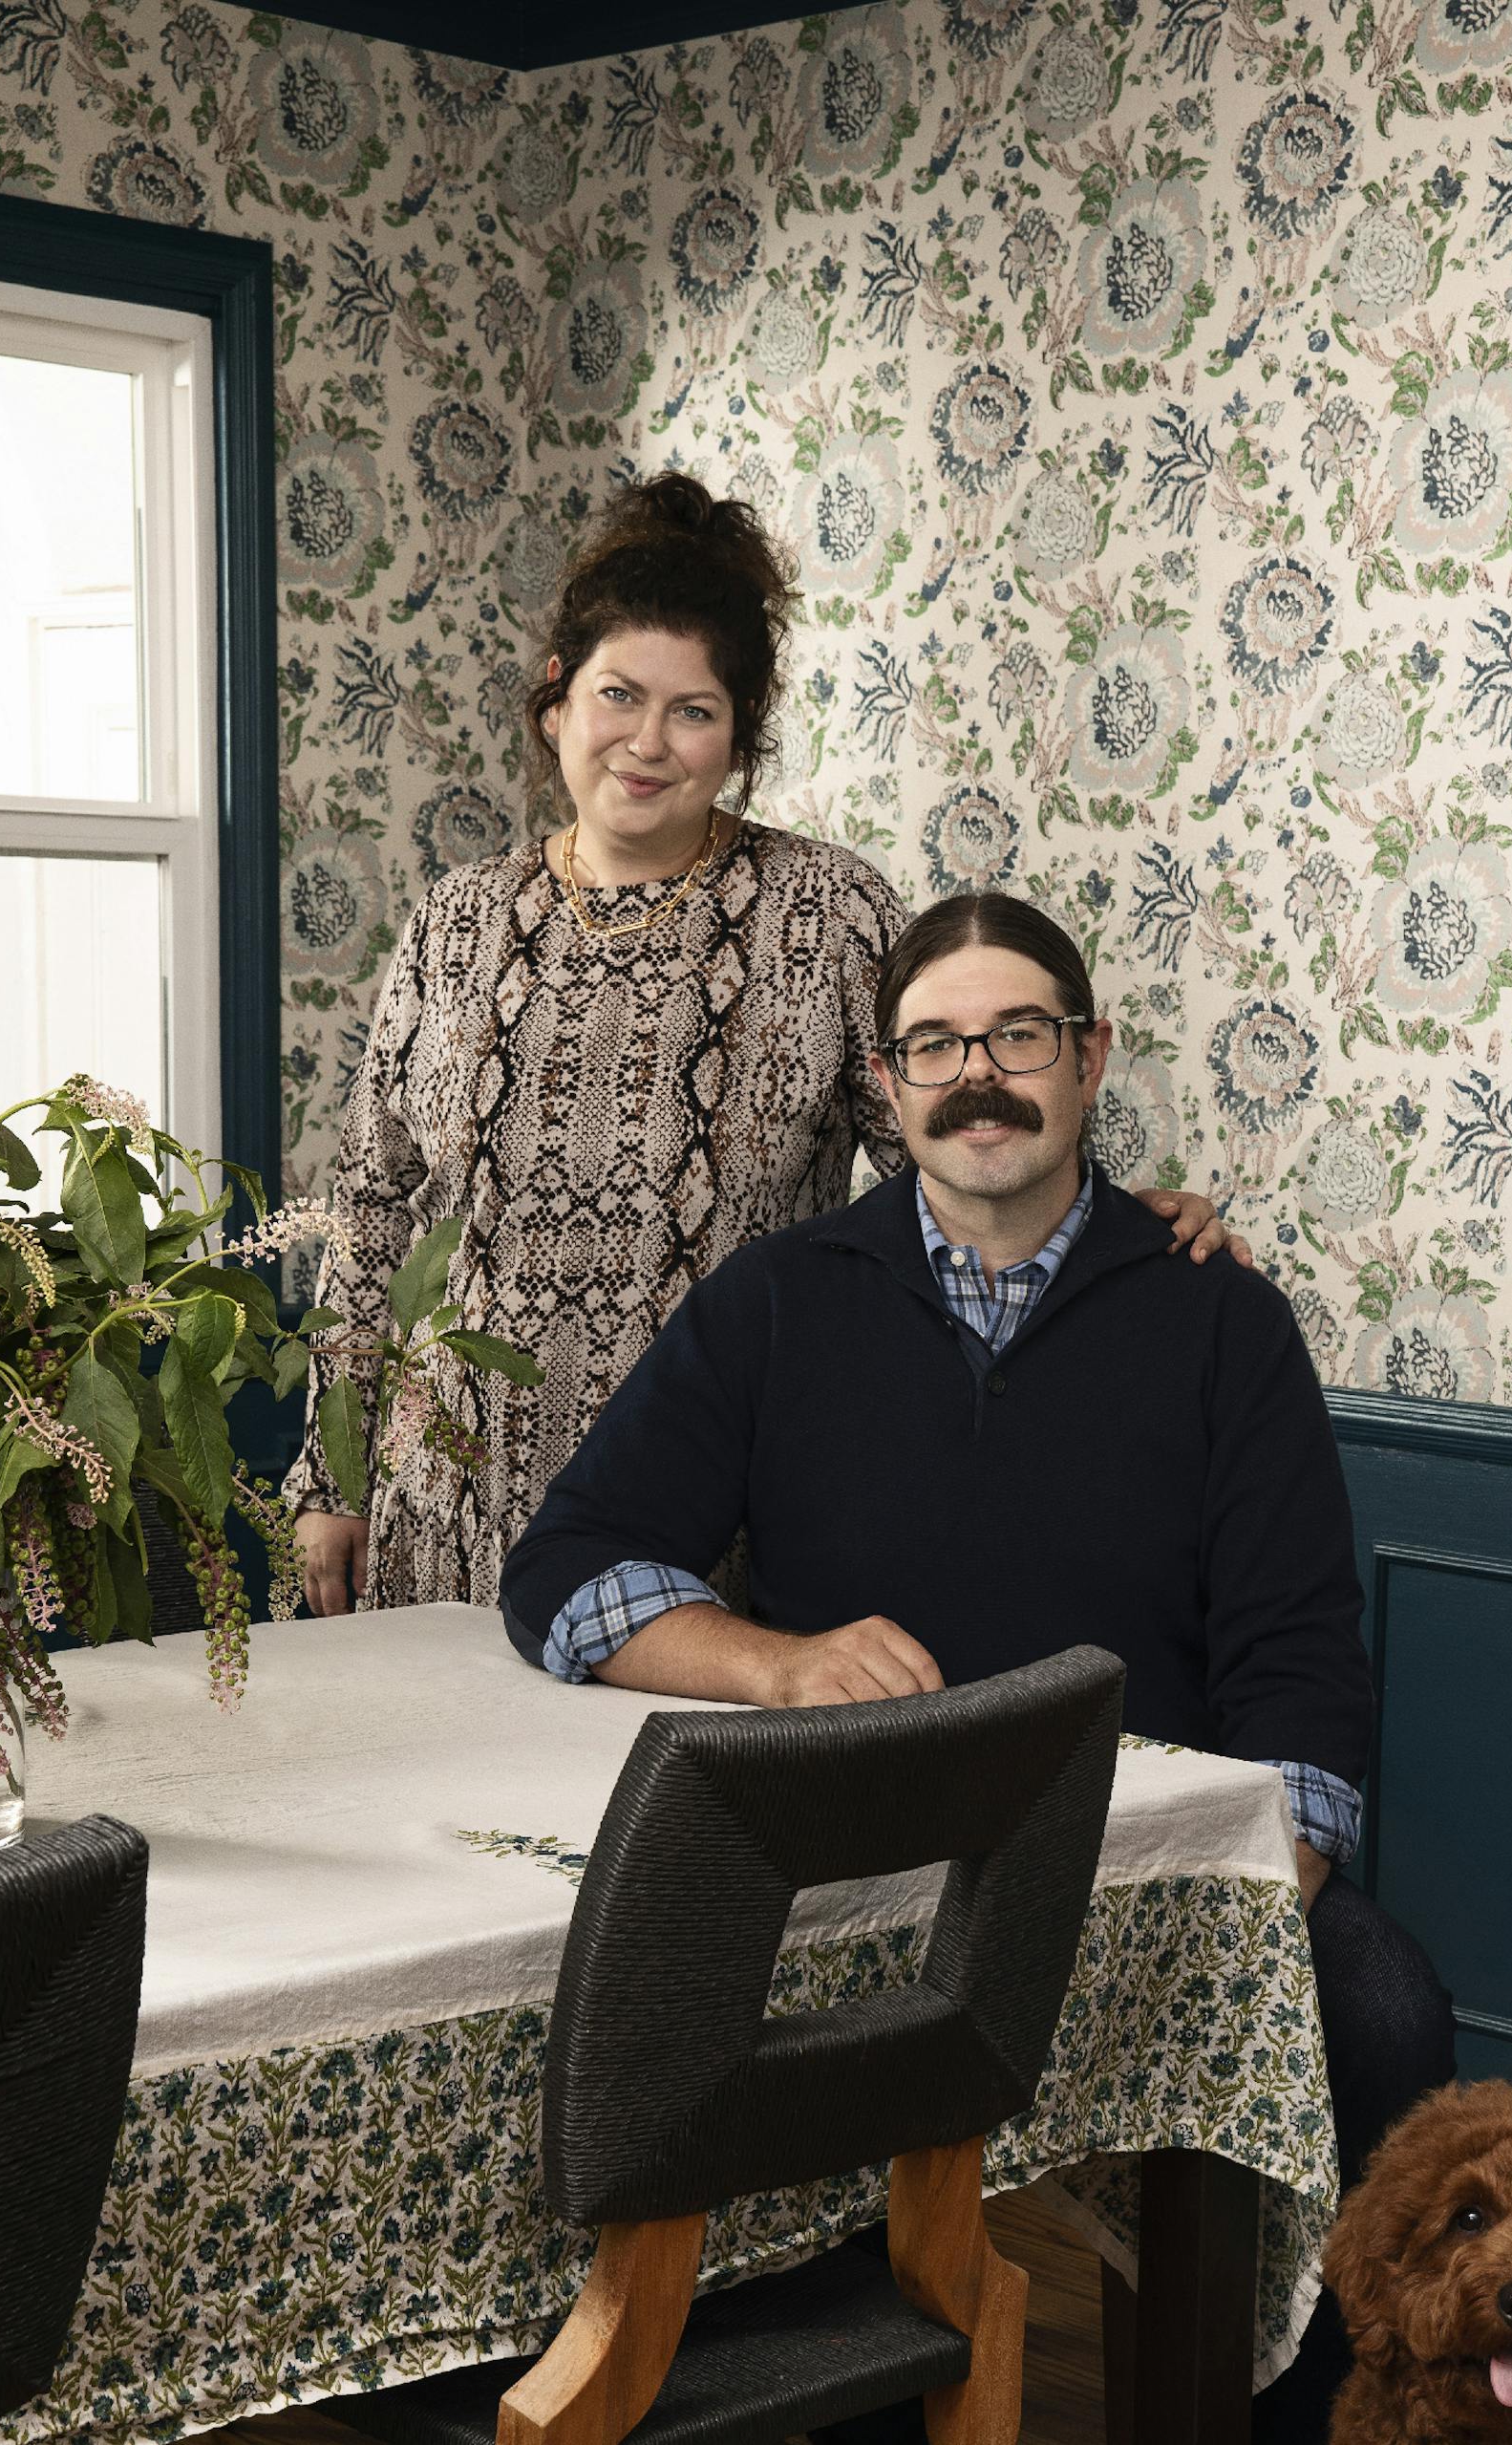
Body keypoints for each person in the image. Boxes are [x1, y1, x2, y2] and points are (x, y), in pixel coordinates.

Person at [500, 891, 1455, 2445]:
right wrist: (772, 1662)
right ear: (887, 1086)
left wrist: (1270, 1890)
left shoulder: (1219, 1319)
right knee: (754, 2034)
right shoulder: (782, 1302)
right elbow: (568, 1571)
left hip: (1150, 1880)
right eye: (935, 1045)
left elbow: (1302, 1668)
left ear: (1088, 1063)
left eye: (1019, 1036)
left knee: (1389, 2008)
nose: (979, 1077)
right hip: (862, 1885)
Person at [287, 473, 1232, 1616]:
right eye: (618, 696)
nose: (648, 742)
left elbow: (960, 1156)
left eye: (693, 712)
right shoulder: (454, 921)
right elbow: (373, 1206)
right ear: (556, 703)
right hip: (446, 1498)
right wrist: (331, 1475)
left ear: (738, 738)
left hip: (718, 1500)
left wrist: (1122, 1231)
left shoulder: (827, 912)